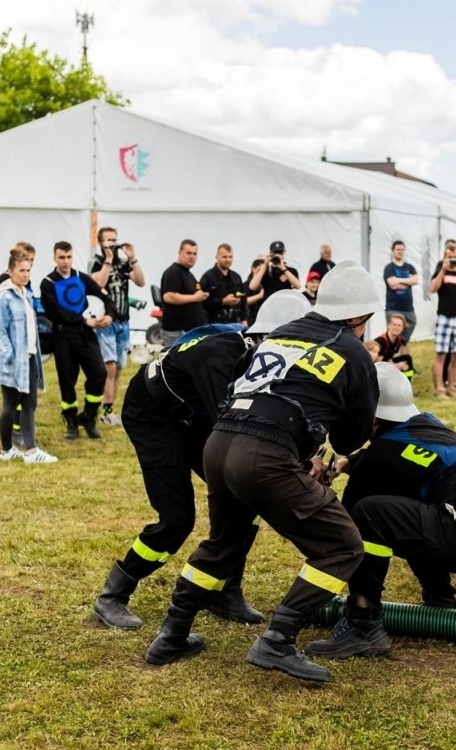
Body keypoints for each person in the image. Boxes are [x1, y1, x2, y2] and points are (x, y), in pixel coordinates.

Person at [143, 265, 382, 683]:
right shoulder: (353, 351)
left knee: (224, 542)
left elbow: (243, 387)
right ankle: (278, 639)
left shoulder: (281, 333)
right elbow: (350, 438)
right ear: (361, 316)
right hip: (263, 455)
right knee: (343, 545)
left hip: (219, 442)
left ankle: (172, 634)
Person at [93, 290, 315, 632]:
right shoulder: (223, 358)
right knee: (177, 519)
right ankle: (113, 596)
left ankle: (225, 591)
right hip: (153, 413)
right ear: (267, 337)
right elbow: (234, 427)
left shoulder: (257, 353)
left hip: (191, 412)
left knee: (243, 496)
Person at [307, 363, 456, 658]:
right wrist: (346, 463)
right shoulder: (425, 423)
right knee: (412, 511)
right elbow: (395, 455)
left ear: (370, 415)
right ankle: (440, 596)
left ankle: (363, 624)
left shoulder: (382, 456)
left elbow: (345, 531)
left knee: (368, 514)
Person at [40, 241, 109, 440]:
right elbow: (56, 312)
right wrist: (83, 320)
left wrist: (110, 315)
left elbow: (103, 297)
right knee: (67, 380)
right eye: (61, 257)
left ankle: (89, 416)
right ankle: (71, 422)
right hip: (62, 336)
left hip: (85, 335)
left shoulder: (81, 278)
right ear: (54, 258)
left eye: (69, 257)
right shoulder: (48, 283)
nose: (66, 261)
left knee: (99, 373)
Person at [0, 247, 57, 464]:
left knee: (30, 404)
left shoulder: (27, 295)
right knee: (10, 405)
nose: (25, 274)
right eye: (21, 270)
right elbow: (0, 331)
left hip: (29, 358)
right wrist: (10, 356)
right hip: (12, 361)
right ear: (10, 272)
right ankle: (6, 449)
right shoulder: (4, 298)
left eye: (28, 270)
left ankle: (31, 450)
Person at [89, 226, 147, 429]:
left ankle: (109, 408)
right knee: (110, 367)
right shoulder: (97, 262)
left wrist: (133, 257)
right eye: (108, 240)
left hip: (124, 322)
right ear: (100, 242)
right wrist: (108, 259)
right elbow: (98, 283)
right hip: (106, 322)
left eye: (114, 239)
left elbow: (141, 281)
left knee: (119, 368)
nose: (112, 243)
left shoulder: (122, 263)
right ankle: (105, 410)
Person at [430, 240, 456, 399]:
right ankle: (439, 389)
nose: (453, 259)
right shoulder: (440, 269)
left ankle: (452, 387)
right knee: (441, 354)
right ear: (444, 257)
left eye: (455, 257)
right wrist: (443, 270)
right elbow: (433, 288)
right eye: (449, 257)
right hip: (444, 316)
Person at [158, 239, 209, 348]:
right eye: (188, 253)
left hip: (189, 331)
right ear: (180, 252)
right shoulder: (173, 272)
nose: (192, 257)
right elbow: (169, 296)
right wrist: (195, 298)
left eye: (195, 254)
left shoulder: (188, 274)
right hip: (177, 332)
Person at [246, 241, 301, 323]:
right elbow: (252, 286)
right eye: (275, 253)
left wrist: (283, 268)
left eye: (280, 252)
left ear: (284, 253)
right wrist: (265, 265)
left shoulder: (291, 270)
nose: (278, 255)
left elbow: (298, 286)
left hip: (286, 309)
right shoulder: (266, 270)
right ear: (270, 253)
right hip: (269, 309)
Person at [199, 243, 249, 326]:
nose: (228, 260)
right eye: (224, 257)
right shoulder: (208, 277)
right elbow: (202, 303)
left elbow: (244, 301)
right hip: (214, 323)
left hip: (234, 323)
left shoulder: (236, 277)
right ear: (217, 257)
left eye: (230, 257)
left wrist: (244, 319)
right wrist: (223, 301)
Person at [383, 240, 419, 341]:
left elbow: (415, 280)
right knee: (392, 335)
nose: (400, 251)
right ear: (393, 251)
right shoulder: (389, 268)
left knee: (407, 334)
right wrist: (408, 282)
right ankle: (391, 350)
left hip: (408, 308)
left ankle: (402, 349)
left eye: (402, 249)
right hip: (393, 308)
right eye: (398, 249)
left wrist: (398, 280)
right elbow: (392, 284)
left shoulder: (410, 267)